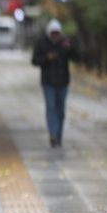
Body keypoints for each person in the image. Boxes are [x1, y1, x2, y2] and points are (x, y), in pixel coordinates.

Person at [31, 19, 78, 148]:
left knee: (61, 110)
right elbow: (35, 60)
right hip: (48, 81)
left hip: (63, 81)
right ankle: (52, 134)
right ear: (48, 33)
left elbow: (77, 57)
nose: (55, 36)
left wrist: (70, 48)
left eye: (57, 33)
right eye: (53, 33)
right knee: (51, 107)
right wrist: (47, 58)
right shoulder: (41, 42)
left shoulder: (65, 43)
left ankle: (58, 135)